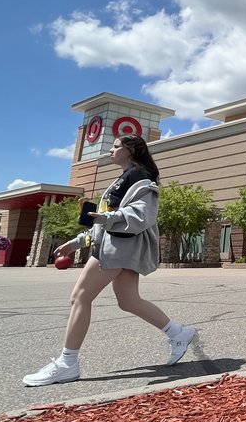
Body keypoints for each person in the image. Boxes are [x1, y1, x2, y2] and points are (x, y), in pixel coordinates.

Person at [23, 134, 197, 387]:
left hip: (117, 249)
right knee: (129, 301)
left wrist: (105, 219)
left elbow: (141, 215)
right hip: (119, 247)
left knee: (80, 297)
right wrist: (79, 241)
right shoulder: (124, 178)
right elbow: (105, 218)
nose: (110, 151)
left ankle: (67, 363)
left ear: (132, 150)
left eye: (116, 147)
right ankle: (178, 333)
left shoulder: (140, 177)